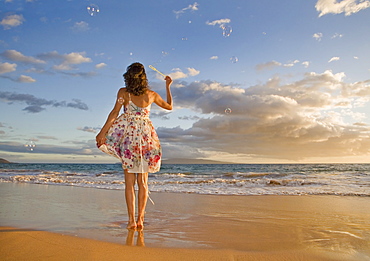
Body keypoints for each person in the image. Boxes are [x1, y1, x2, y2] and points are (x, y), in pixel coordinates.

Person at [96, 62, 173, 229]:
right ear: (144, 77)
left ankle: (131, 221)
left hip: (129, 139)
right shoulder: (151, 95)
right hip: (147, 139)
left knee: (129, 183)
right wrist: (168, 86)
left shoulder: (123, 92)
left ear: (128, 76)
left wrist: (102, 132)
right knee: (143, 182)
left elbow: (114, 113)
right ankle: (141, 220)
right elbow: (169, 106)